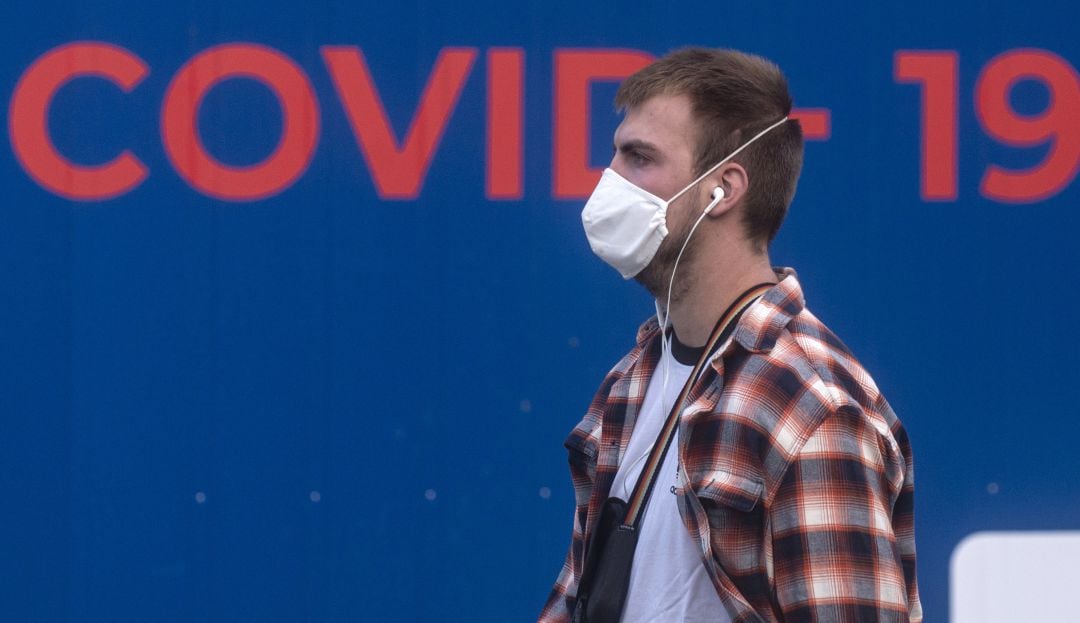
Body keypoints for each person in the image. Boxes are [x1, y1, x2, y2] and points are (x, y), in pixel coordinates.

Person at [539, 48, 922, 622]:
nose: (608, 181)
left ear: (725, 189)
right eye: (615, 155)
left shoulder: (812, 408)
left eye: (639, 158)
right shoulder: (634, 379)